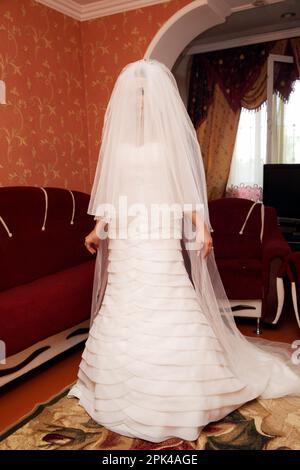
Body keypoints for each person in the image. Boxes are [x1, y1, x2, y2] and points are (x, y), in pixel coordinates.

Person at [67, 58, 300, 443]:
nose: (139, 101)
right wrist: (98, 228)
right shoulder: (120, 145)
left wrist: (202, 227)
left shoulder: (169, 143)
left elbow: (184, 192)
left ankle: (182, 391)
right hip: (126, 234)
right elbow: (113, 194)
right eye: (135, 95)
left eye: (145, 94)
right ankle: (118, 388)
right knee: (123, 303)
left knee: (167, 299)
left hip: (158, 232)